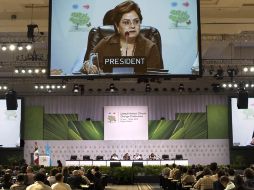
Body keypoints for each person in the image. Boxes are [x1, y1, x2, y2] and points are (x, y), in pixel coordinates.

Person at [82, 0, 163, 74]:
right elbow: (87, 67)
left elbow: (156, 80)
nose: (132, 26)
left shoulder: (150, 47)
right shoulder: (105, 44)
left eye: (136, 21)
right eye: (126, 22)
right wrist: (87, 66)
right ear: (117, 26)